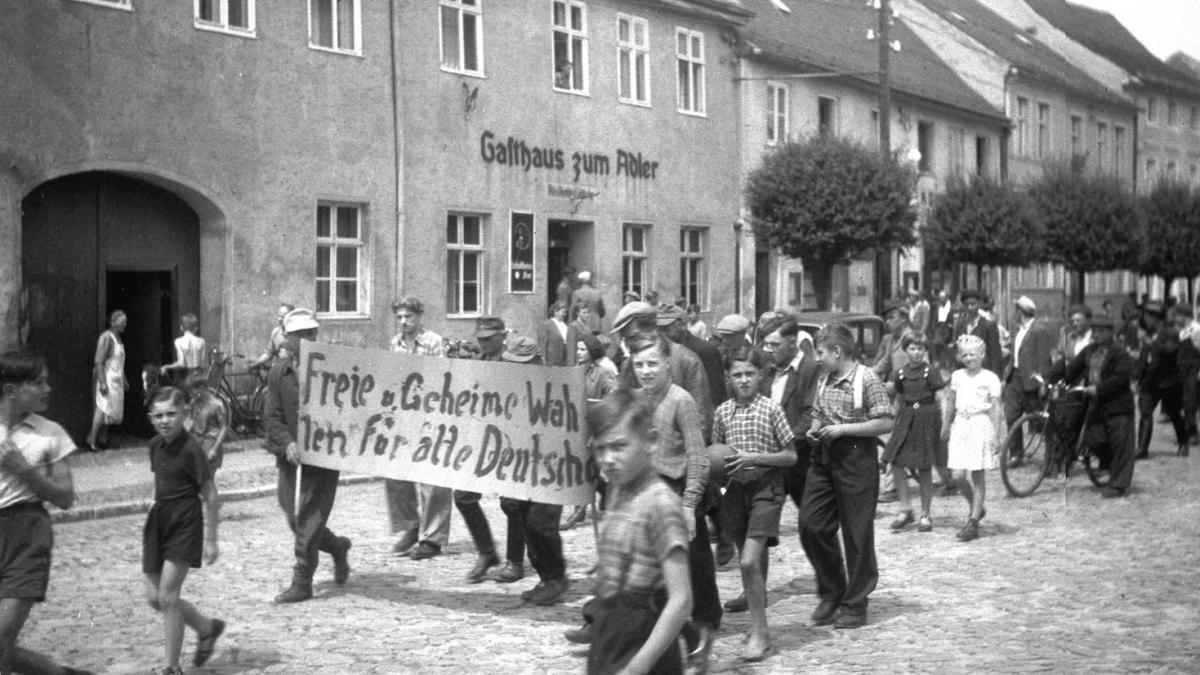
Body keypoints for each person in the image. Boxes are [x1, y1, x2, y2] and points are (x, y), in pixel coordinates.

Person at [625, 333, 718, 662]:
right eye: (639, 365)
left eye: (653, 364)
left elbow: (697, 456)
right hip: (645, 494)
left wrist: (690, 505)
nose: (646, 371)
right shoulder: (636, 399)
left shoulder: (682, 401)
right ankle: (681, 639)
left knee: (676, 576)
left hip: (676, 494)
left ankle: (695, 637)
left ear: (667, 363)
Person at [585, 390, 691, 675]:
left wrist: (636, 668)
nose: (608, 459)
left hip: (643, 639)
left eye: (619, 446)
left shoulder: (661, 503)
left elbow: (681, 601)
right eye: (600, 449)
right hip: (610, 635)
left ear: (652, 442)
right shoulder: (618, 490)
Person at [0, 352, 92, 675]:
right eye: (38, 382)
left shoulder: (50, 433)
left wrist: (24, 471)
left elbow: (65, 497)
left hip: (27, 536)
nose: (48, 388)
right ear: (11, 390)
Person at [800, 324, 893, 629]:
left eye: (821, 352)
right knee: (811, 524)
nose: (817, 358)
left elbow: (885, 422)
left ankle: (855, 603)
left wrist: (843, 430)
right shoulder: (824, 378)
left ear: (837, 352)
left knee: (856, 534)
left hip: (856, 459)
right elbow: (817, 413)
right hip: (824, 458)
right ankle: (833, 589)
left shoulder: (867, 378)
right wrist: (815, 430)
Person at [711, 346, 797, 662]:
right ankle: (759, 625)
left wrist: (755, 458)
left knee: (748, 561)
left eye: (749, 373)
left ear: (760, 375)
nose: (744, 380)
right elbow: (717, 455)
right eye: (737, 375)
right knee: (752, 563)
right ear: (728, 378)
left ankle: (760, 633)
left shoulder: (771, 409)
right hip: (735, 493)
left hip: (766, 489)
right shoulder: (722, 412)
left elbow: (791, 455)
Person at [265, 308, 352, 603]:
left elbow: (352, 408)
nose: (307, 339)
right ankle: (338, 546)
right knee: (293, 517)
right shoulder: (279, 372)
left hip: (325, 457)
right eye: (300, 335)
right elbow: (273, 417)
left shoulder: (333, 368)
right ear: (287, 339)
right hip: (291, 457)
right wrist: (287, 443)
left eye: (311, 333)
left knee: (309, 519)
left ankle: (302, 581)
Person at [142, 387, 224, 674]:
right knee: (155, 597)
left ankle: (171, 667)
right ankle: (206, 628)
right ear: (151, 418)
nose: (165, 421)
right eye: (159, 415)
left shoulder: (192, 450)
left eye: (171, 414)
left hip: (185, 521)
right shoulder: (154, 445)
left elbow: (211, 496)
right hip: (160, 519)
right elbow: (161, 482)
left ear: (185, 414)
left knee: (168, 595)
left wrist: (211, 540)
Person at [497, 336, 570, 606]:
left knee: (543, 524)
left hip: (553, 467)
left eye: (524, 363)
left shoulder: (557, 387)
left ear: (537, 361)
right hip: (523, 468)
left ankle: (557, 578)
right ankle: (545, 577)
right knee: (527, 523)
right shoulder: (509, 391)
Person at [385, 297, 453, 561]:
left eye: (408, 317)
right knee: (396, 474)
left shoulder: (434, 342)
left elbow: (443, 379)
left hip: (431, 416)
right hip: (404, 418)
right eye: (400, 317)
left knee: (433, 480)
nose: (403, 322)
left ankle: (432, 539)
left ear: (419, 316)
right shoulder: (396, 343)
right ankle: (412, 525)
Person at [1049, 317, 1136, 497]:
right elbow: (1071, 369)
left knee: (1120, 443)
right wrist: (1051, 379)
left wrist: (1099, 389)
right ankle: (1107, 466)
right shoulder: (1090, 351)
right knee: (1093, 439)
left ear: (1110, 333)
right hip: (1096, 404)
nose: (1096, 335)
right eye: (1094, 331)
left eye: (1100, 331)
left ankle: (1118, 484)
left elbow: (1120, 378)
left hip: (1117, 405)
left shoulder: (1119, 353)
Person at [455, 317, 504, 584]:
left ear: (502, 335)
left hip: (510, 442)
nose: (484, 342)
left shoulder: (513, 362)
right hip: (483, 441)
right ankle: (487, 552)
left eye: (490, 338)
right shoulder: (481, 362)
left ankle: (518, 561)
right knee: (463, 497)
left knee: (514, 505)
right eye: (481, 338)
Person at [883, 331, 948, 533]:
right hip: (906, 418)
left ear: (925, 350)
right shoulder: (900, 374)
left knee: (924, 467)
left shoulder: (931, 372)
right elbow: (898, 399)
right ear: (906, 350)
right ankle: (905, 509)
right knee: (896, 462)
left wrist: (945, 423)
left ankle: (925, 514)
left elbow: (941, 398)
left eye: (920, 348)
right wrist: (891, 419)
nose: (917, 352)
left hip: (927, 419)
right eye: (912, 348)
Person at [942, 335, 1004, 542]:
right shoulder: (957, 376)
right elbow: (950, 402)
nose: (969, 358)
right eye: (965, 355)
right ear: (960, 357)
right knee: (958, 475)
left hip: (980, 425)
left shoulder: (990, 378)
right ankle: (976, 507)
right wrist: (945, 426)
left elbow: (995, 408)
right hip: (961, 425)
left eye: (973, 354)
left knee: (977, 475)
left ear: (982, 355)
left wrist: (996, 435)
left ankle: (973, 522)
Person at [1003, 296, 1055, 466]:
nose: (1014, 314)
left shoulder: (1039, 330)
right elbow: (1014, 356)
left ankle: (1052, 457)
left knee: (1042, 421)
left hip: (1032, 382)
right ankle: (1016, 454)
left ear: (1022, 311)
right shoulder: (1018, 330)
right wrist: (1006, 376)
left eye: (1016, 310)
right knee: (1011, 416)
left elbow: (1044, 359)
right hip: (1015, 378)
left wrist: (1043, 383)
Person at [1135, 301, 1188, 458]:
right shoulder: (1148, 332)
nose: (1144, 318)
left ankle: (1183, 442)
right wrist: (1137, 376)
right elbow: (1144, 358)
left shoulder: (1169, 333)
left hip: (1167, 381)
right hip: (1149, 381)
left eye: (1146, 316)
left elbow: (1169, 352)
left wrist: (1150, 343)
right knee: (1145, 413)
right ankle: (1142, 448)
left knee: (1174, 414)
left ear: (1155, 317)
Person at [87, 309, 128, 451]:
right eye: (122, 322)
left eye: (125, 322)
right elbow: (99, 361)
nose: (124, 324)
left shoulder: (119, 339)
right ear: (112, 322)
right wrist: (102, 382)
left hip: (117, 380)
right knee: (102, 408)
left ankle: (103, 440)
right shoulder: (106, 337)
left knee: (109, 412)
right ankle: (91, 439)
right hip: (107, 378)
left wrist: (124, 378)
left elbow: (118, 362)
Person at [182, 372, 228, 477]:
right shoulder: (194, 403)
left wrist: (214, 449)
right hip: (198, 445)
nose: (190, 395)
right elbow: (191, 423)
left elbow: (224, 428)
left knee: (207, 481)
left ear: (201, 388)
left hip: (210, 444)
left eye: (191, 392)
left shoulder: (216, 405)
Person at [952, 290, 1003, 376]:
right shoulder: (961, 325)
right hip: (964, 372)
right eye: (967, 305)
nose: (970, 307)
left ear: (979, 304)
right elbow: (956, 347)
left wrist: (996, 376)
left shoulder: (988, 326)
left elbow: (995, 354)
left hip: (983, 372)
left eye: (973, 304)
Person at [1174, 306, 1200, 451]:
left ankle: (1193, 432)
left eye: (1177, 315)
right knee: (1186, 401)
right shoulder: (1183, 331)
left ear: (1184, 315)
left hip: (1194, 371)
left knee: (1191, 401)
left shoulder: (1196, 330)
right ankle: (1190, 430)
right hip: (1184, 371)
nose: (1175, 319)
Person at [162, 313, 208, 387]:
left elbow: (181, 363)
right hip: (200, 378)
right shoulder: (201, 341)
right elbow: (203, 363)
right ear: (196, 328)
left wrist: (166, 366)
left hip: (188, 378)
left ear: (181, 328)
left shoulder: (178, 341)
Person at [249, 303, 295, 370]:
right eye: (279, 316)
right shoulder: (276, 332)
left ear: (291, 317)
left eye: (283, 317)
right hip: (279, 371)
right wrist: (257, 363)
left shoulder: (298, 334)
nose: (279, 319)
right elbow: (269, 353)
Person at [536, 301, 578, 367]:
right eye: (563, 312)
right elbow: (542, 345)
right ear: (556, 312)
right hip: (552, 361)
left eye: (565, 312)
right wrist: (543, 361)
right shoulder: (546, 325)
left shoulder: (567, 326)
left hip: (565, 361)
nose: (564, 314)